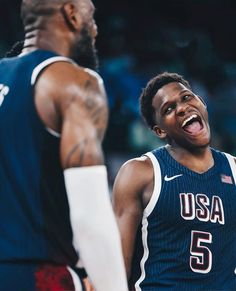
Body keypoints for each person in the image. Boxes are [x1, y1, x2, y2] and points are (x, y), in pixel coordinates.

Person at [0, 0, 128, 290]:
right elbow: (90, 218)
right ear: (71, 13)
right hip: (38, 274)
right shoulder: (73, 83)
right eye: (92, 17)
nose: (95, 30)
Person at [113, 72, 236, 290]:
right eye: (168, 109)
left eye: (187, 97)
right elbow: (117, 266)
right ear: (160, 131)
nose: (181, 108)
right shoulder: (139, 173)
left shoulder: (233, 170)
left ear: (202, 103)